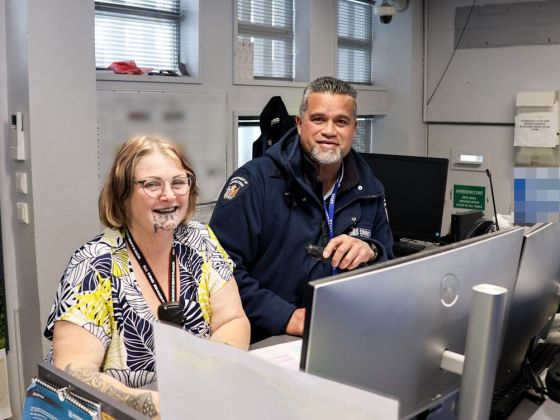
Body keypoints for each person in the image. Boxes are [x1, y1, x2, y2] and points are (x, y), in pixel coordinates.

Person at [44, 135, 250, 418]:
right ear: (122, 195)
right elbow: (73, 371)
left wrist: (211, 373)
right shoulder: (94, 265)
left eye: (178, 182)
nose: (169, 195)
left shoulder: (199, 240)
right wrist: (151, 405)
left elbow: (232, 319)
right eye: (152, 184)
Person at [210, 76, 394, 343]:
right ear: (299, 124)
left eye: (341, 121)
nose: (329, 131)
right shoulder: (256, 182)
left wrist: (372, 250)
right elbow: (219, 271)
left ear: (354, 129)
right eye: (318, 119)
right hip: (268, 338)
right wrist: (286, 316)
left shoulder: (369, 189)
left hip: (341, 332)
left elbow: (389, 261)